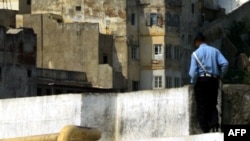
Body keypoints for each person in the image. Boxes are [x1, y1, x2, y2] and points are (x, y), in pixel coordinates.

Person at [189, 33, 229, 133]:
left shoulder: (195, 54)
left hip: (201, 81)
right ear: (204, 40)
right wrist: (221, 75)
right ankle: (214, 125)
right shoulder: (214, 51)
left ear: (197, 42)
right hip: (213, 80)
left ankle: (205, 128)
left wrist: (193, 82)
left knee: (201, 105)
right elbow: (225, 63)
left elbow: (193, 72)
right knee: (212, 103)